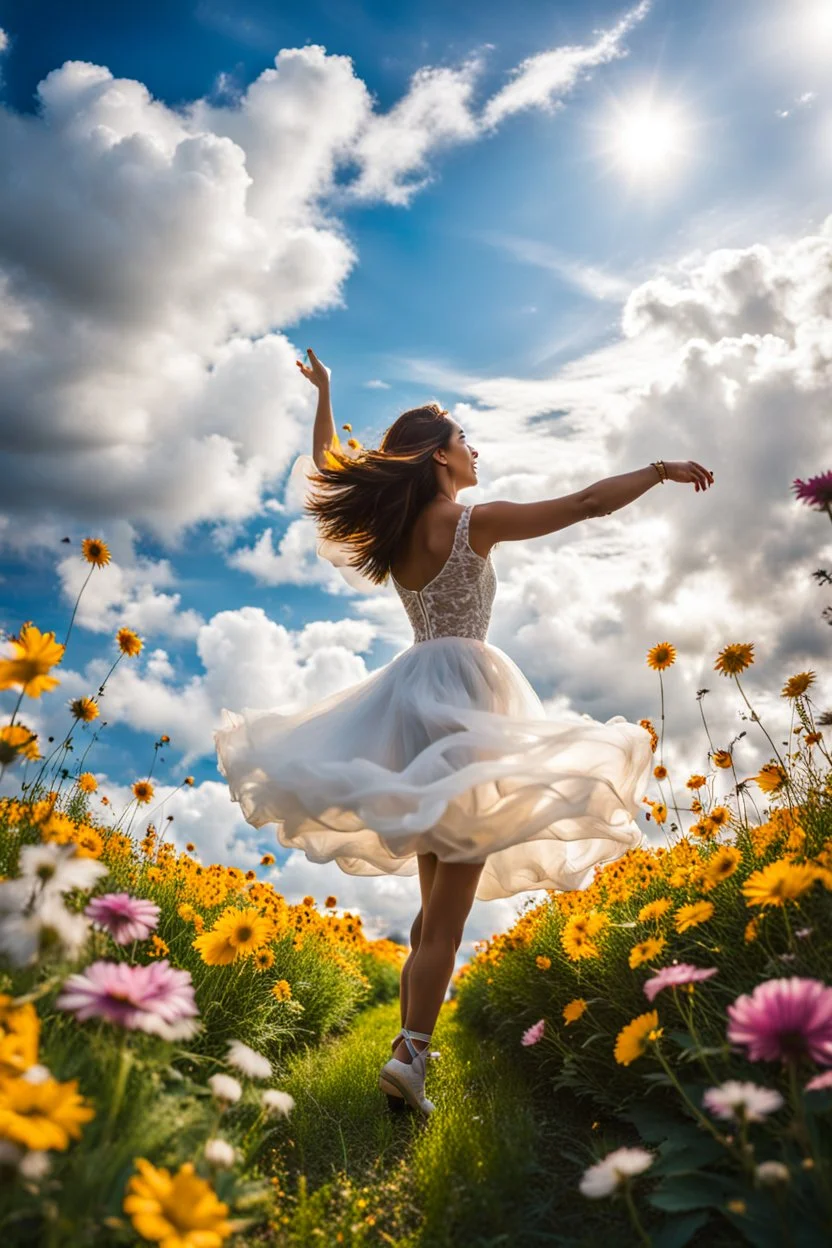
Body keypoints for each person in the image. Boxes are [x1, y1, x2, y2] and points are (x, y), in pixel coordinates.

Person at [214, 347, 714, 1117]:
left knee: (427, 912)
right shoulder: (470, 522)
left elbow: (327, 463)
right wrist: (657, 468)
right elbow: (583, 503)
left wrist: (328, 390)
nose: (476, 451)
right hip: (468, 705)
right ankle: (413, 1057)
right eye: (467, 440)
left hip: (411, 698)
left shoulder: (396, 526)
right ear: (441, 456)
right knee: (448, 915)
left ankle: (404, 1049)